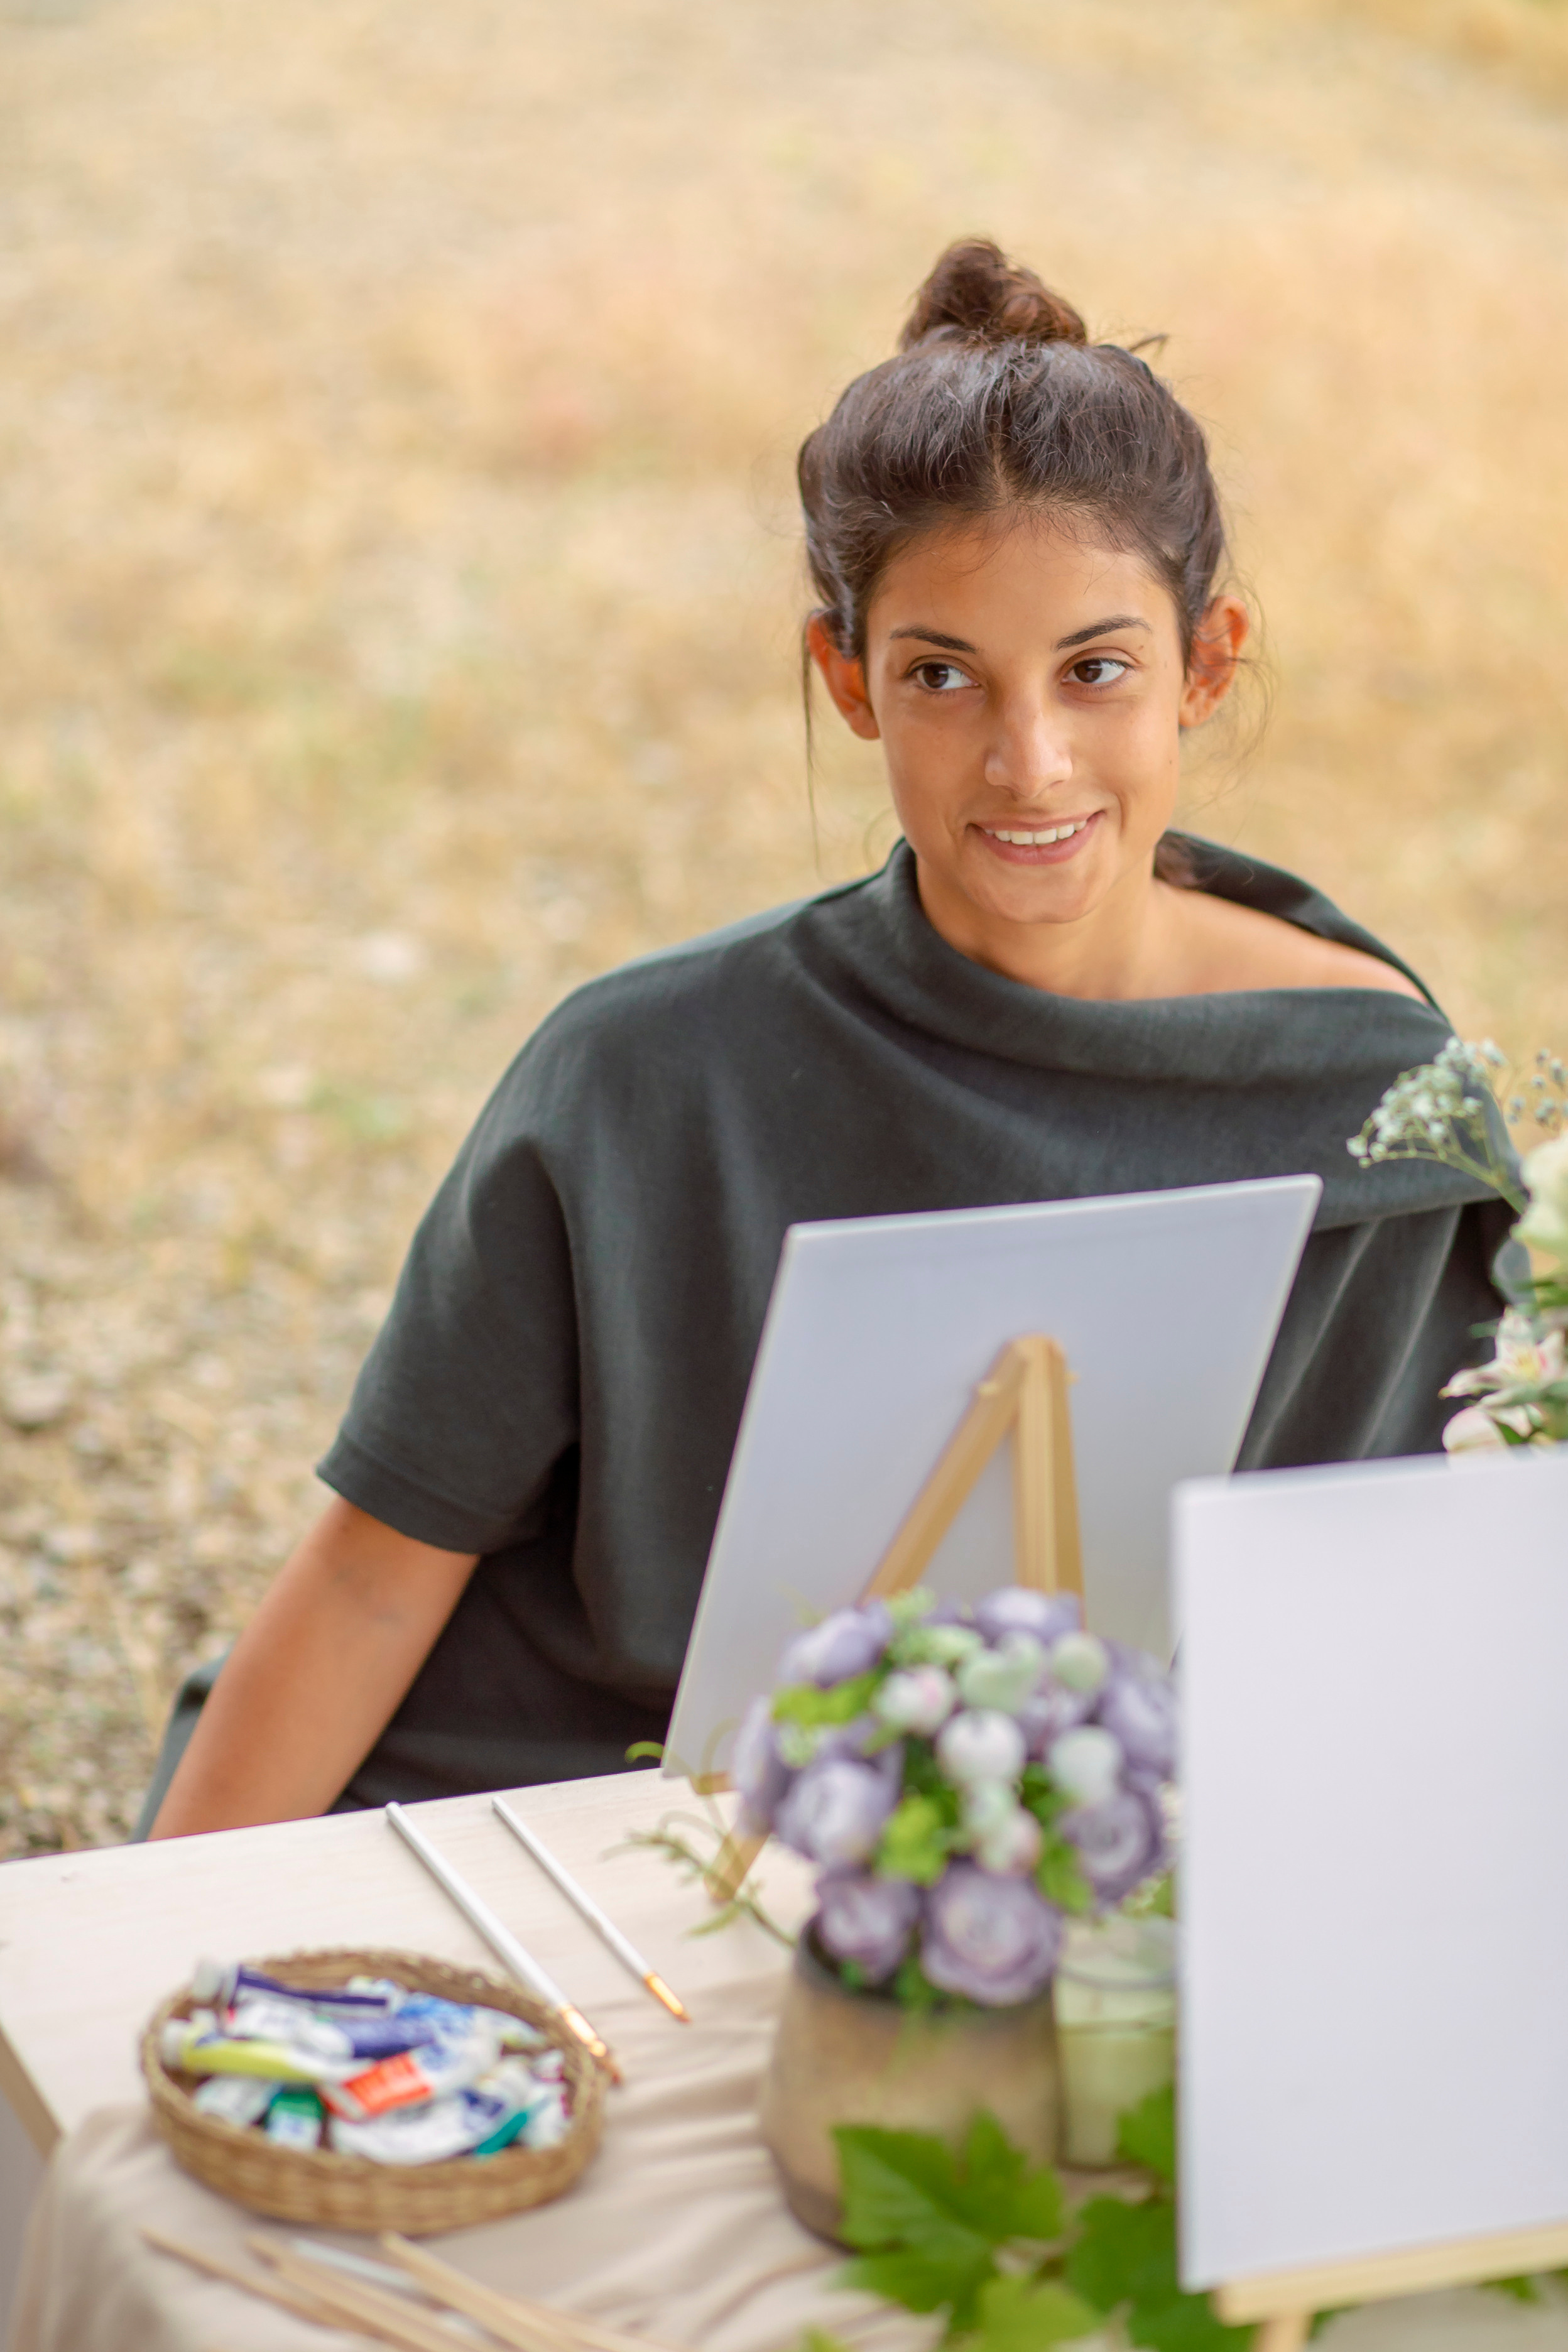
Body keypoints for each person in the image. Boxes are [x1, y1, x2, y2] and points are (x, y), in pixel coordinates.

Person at [143, 239, 1510, 1839]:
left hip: (1050, 1858)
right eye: (943, 675)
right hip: (541, 1812)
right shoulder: (637, 1081)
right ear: (847, 678)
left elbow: (1385, 1610)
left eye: (1097, 670)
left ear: (1205, 664)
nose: (1030, 761)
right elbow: (376, 1580)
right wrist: (143, 1970)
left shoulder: (1376, 1093)